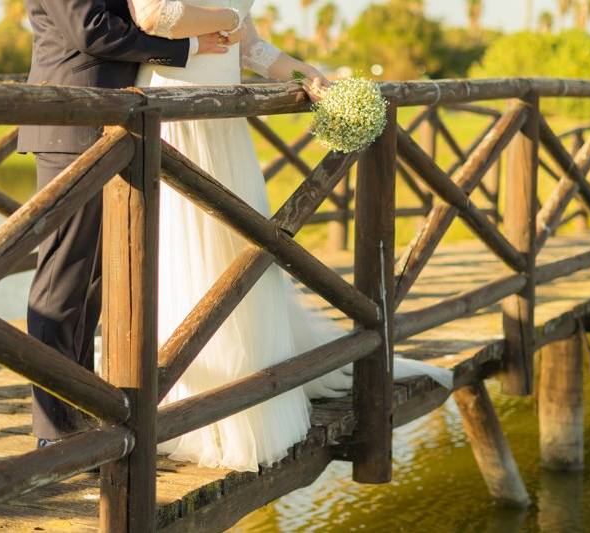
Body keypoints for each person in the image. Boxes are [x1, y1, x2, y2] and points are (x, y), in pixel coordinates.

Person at [128, 0, 454, 472]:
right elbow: (154, 16)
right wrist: (228, 19)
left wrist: (308, 76)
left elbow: (253, 49)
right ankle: (177, 395)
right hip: (173, 113)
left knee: (236, 254)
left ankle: (245, 387)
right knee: (182, 252)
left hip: (223, 125)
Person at [18, 0, 228, 448]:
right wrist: (184, 48)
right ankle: (52, 431)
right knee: (61, 280)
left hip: (100, 124)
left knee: (89, 283)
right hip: (70, 123)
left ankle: (77, 411)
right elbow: (90, 32)